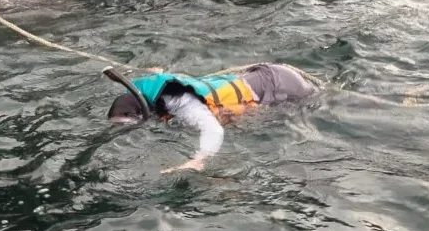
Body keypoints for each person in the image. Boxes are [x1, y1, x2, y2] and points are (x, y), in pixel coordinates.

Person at [105, 63, 319, 173]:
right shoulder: (154, 90)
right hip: (262, 76)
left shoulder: (181, 103)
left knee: (322, 101)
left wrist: (199, 160)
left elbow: (215, 130)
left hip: (281, 86)